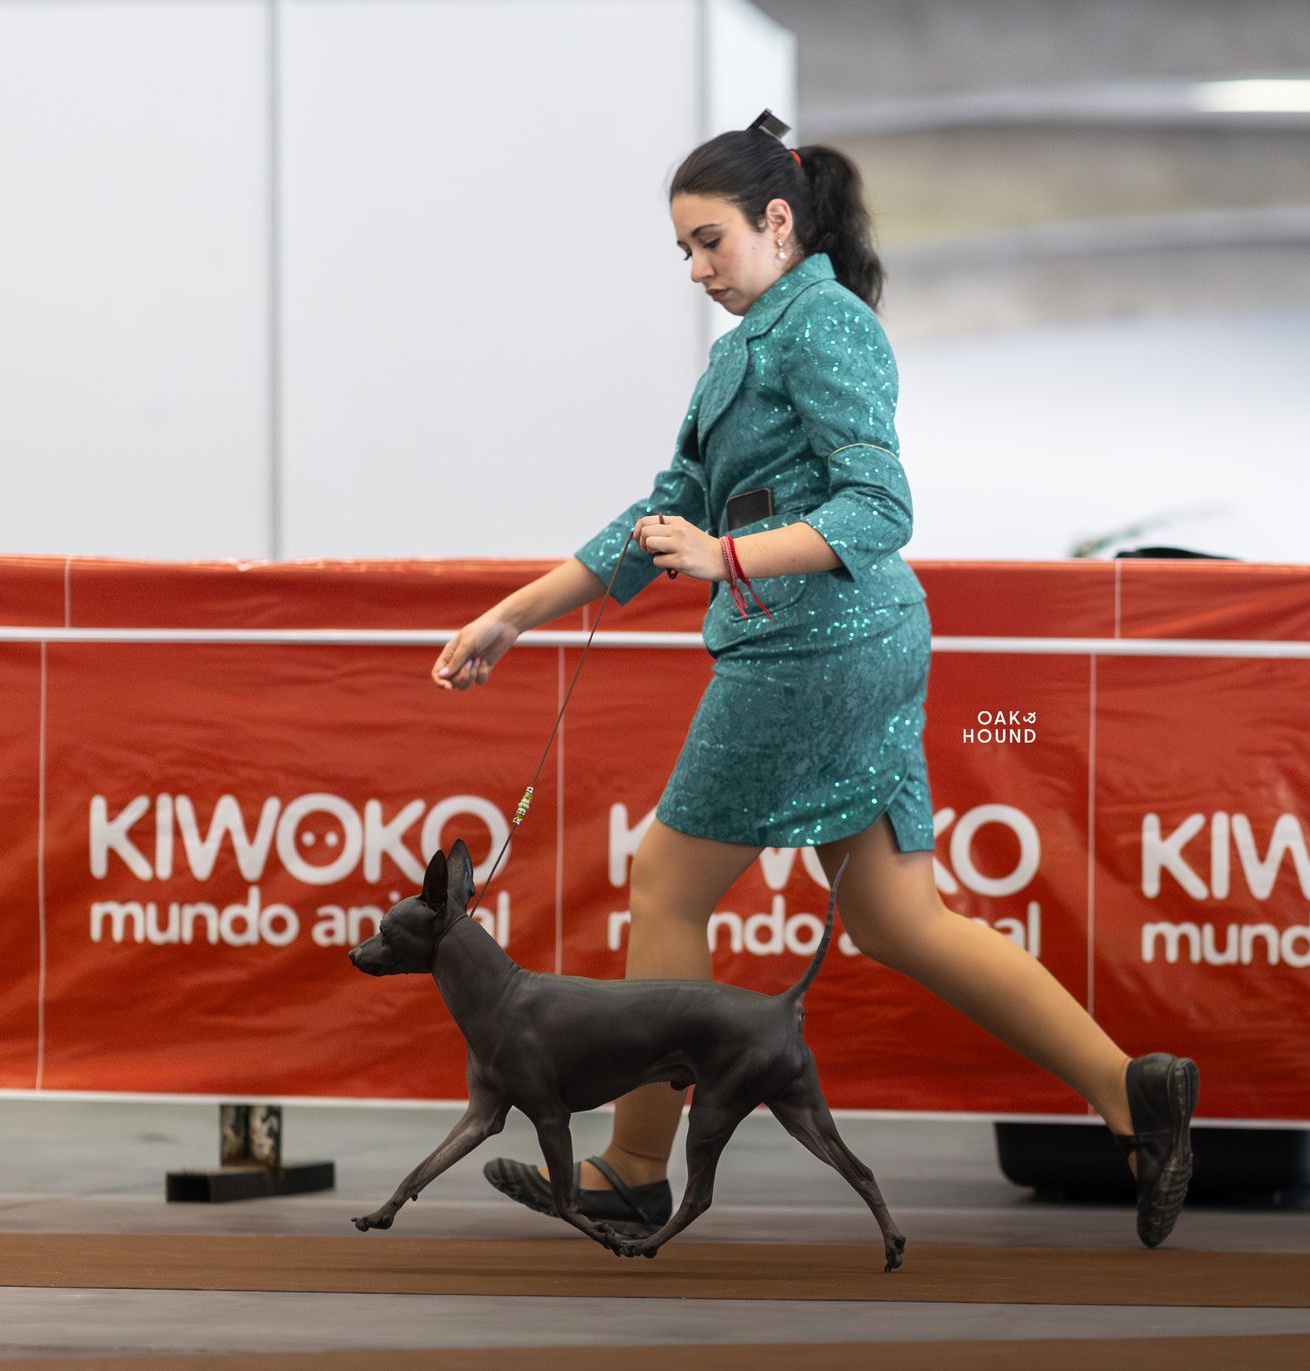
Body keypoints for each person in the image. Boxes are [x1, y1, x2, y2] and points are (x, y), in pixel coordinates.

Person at [430, 110, 1198, 1249]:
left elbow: (879, 509)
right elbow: (664, 517)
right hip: (851, 648)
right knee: (898, 918)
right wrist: (516, 615)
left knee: (665, 885)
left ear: (778, 222)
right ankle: (1125, 1088)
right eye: (682, 251)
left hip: (812, 649)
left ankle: (637, 1166)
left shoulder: (823, 326)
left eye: (710, 243)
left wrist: (729, 557)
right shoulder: (758, 339)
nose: (695, 271)